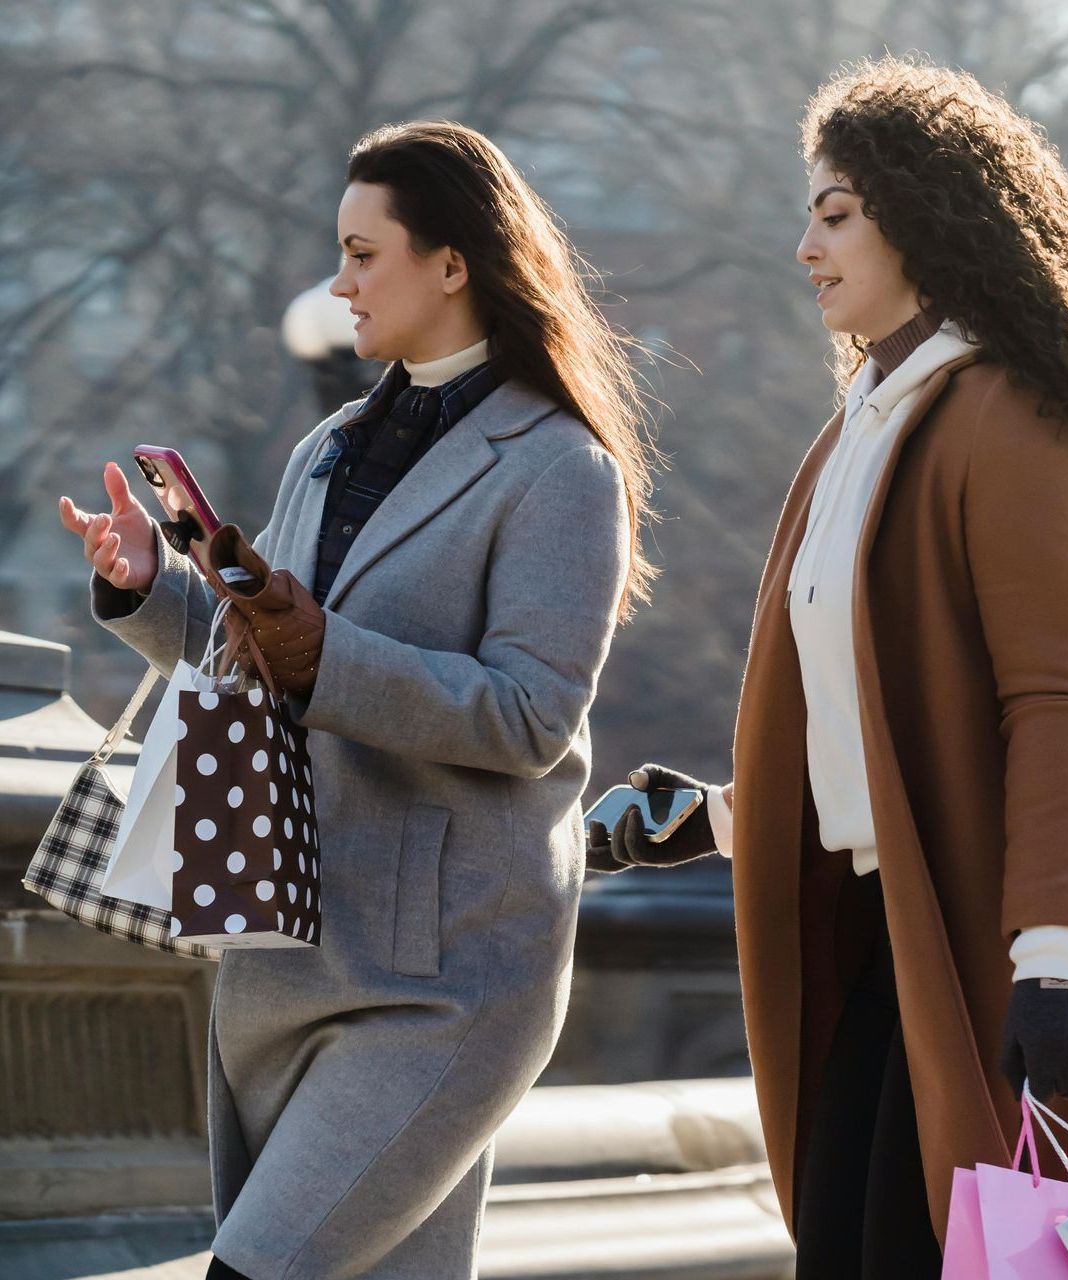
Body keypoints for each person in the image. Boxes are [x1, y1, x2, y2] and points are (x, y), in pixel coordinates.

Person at [589, 56, 1068, 1276]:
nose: (806, 247)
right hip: (879, 934)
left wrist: (1058, 965)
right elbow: (876, 724)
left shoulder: (1011, 413)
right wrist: (714, 817)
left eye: (836, 213)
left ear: (922, 214)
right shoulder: (860, 426)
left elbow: (1058, 703)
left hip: (983, 945)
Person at [60, 120, 652, 1280]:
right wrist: (146, 587)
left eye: (363, 253)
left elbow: (531, 715)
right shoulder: (329, 446)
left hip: (443, 984)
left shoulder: (563, 469)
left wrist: (326, 654)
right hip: (284, 953)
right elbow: (259, 658)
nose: (340, 283)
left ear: (453, 262)